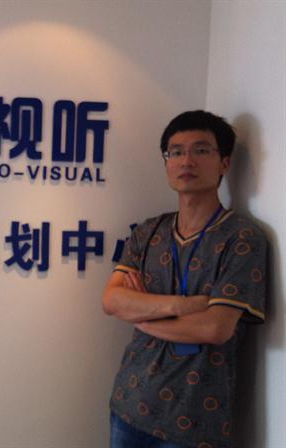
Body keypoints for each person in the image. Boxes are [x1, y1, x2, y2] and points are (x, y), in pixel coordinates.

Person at [102, 110, 267, 448]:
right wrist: (184, 305)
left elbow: (215, 329)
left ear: (224, 163)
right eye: (175, 152)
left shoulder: (242, 237)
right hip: (129, 403)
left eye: (201, 150)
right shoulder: (148, 232)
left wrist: (142, 314)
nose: (186, 160)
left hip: (195, 420)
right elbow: (112, 300)